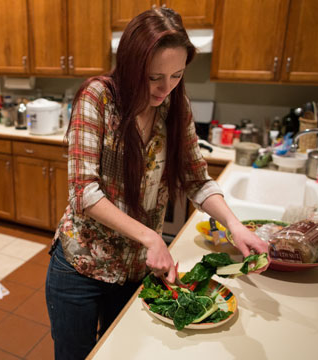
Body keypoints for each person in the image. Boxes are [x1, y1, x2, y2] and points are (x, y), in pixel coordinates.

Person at [45, 8, 269, 360]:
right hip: (82, 268)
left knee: (120, 353)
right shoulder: (98, 98)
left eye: (177, 75)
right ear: (132, 66)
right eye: (154, 77)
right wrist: (152, 237)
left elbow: (196, 178)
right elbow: (84, 193)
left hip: (136, 270)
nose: (166, 88)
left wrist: (235, 225)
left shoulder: (174, 105)